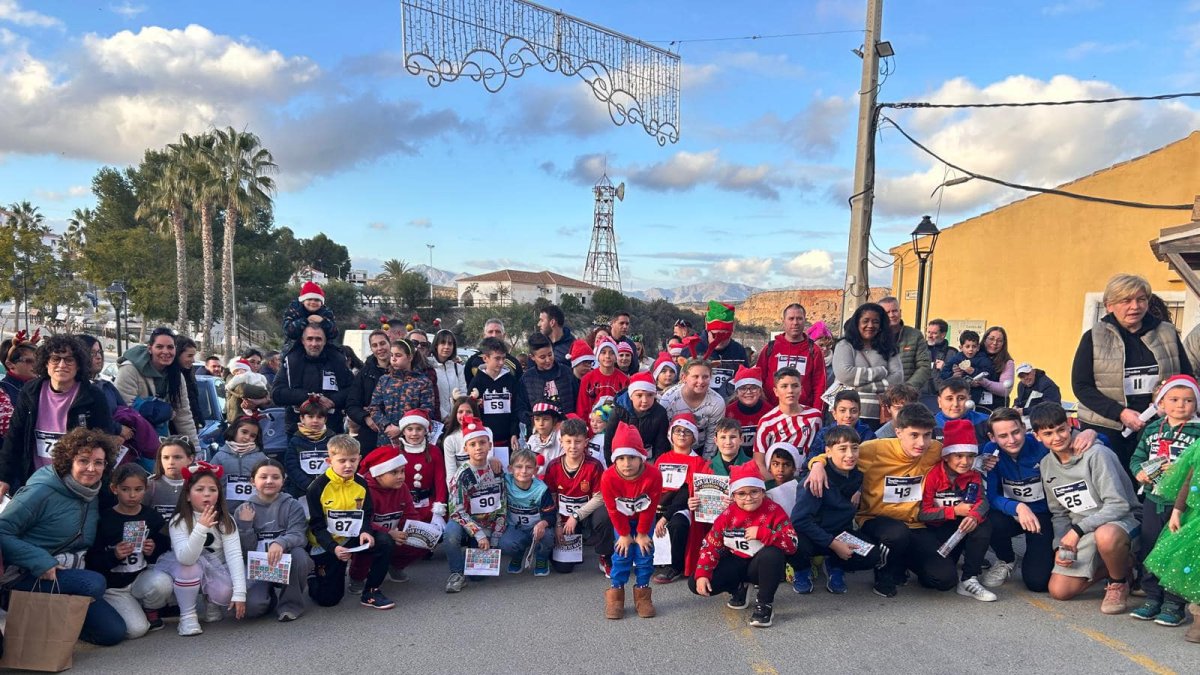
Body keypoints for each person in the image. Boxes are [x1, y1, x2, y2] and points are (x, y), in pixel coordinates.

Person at [804, 403, 953, 598]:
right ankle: (884, 573)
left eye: (927, 435)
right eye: (914, 435)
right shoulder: (875, 449)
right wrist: (816, 464)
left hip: (916, 524)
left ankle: (903, 561)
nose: (921, 443)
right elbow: (837, 455)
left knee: (944, 579)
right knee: (896, 534)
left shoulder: (935, 450)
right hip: (877, 520)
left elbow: (959, 459)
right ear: (898, 432)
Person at [0, 427, 128, 646]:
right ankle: (20, 610)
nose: (91, 468)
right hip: (27, 574)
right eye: (83, 461)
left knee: (113, 632)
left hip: (69, 576)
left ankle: (52, 625)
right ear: (68, 461)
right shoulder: (41, 490)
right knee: (94, 584)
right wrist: (40, 561)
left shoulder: (94, 492)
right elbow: (2, 530)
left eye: (99, 462)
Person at [1073, 274, 1191, 475]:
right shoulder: (1093, 337)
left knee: (1153, 483)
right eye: (1126, 301)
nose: (1135, 306)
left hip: (1158, 425)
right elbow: (1081, 386)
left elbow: (1185, 377)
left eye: (1141, 299)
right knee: (1116, 486)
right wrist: (1120, 413)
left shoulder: (1167, 333)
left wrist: (1167, 405)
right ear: (1110, 305)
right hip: (1108, 427)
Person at [1034, 403, 1140, 614]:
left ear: (1070, 425)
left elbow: (1118, 505)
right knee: (1059, 591)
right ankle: (1125, 564)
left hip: (1119, 522)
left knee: (1106, 535)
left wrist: (1077, 531)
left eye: (1061, 430)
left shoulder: (1097, 454)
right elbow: (1059, 513)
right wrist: (1059, 546)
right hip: (1083, 529)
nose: (1057, 438)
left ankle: (1117, 582)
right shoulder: (1046, 464)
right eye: (1048, 433)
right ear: (1038, 437)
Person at [1, 334, 114, 496]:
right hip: (36, 482)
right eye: (55, 359)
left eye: (69, 360)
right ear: (46, 362)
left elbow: (105, 443)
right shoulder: (31, 391)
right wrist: (4, 477)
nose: (62, 365)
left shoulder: (93, 396)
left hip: (77, 486)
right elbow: (14, 437)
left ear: (78, 365)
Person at [1128, 375, 1200, 625]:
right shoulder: (1152, 429)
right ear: (1161, 402)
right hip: (1153, 498)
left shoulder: (1198, 431)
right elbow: (1137, 457)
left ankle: (1174, 602)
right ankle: (1152, 596)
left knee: (1176, 551)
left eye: (1188, 400)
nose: (1181, 405)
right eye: (1174, 399)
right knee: (1150, 547)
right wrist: (1139, 472)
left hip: (1184, 505)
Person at [690, 462, 798, 628]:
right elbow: (710, 544)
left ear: (762, 492)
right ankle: (738, 588)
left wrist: (763, 533)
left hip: (761, 566)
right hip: (736, 562)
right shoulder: (727, 515)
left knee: (772, 554)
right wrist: (702, 573)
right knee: (695, 582)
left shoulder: (774, 511)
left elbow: (792, 543)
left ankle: (764, 604)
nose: (748, 498)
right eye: (741, 494)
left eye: (754, 491)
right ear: (733, 496)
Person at [790, 425, 890, 596]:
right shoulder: (816, 478)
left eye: (855, 448)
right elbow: (800, 520)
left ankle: (835, 565)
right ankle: (802, 569)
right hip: (812, 535)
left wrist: (858, 491)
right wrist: (834, 544)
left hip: (840, 532)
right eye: (842, 449)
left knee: (872, 555)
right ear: (828, 451)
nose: (850, 455)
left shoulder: (858, 474)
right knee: (794, 544)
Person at [155, 460, 247, 636]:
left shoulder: (226, 519)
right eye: (199, 489)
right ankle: (187, 616)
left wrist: (239, 594)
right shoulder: (179, 521)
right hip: (187, 566)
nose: (207, 494)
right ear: (188, 495)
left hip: (217, 568)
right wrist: (201, 528)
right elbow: (186, 558)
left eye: (213, 490)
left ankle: (210, 601)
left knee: (227, 592)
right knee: (190, 567)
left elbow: (234, 555)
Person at [305, 434, 393, 610]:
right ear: (329, 461)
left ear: (359, 458)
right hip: (328, 543)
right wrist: (333, 547)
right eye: (342, 460)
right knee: (328, 600)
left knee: (384, 541)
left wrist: (366, 531)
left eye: (353, 460)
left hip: (352, 538)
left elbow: (366, 513)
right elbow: (317, 526)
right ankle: (314, 575)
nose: (348, 465)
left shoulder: (361, 483)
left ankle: (371, 591)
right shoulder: (317, 487)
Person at [88, 464, 173, 637]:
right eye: (125, 489)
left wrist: (153, 548)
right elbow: (91, 559)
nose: (132, 495)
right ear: (114, 488)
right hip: (115, 587)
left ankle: (149, 609)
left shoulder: (151, 516)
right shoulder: (104, 519)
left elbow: (165, 544)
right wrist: (114, 555)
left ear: (146, 489)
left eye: (138, 489)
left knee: (163, 583)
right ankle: (122, 609)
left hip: (141, 577)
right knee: (136, 630)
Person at [916, 419, 996, 602]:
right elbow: (922, 513)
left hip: (959, 530)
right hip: (936, 531)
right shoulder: (933, 476)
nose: (965, 462)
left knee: (983, 525)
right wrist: (954, 511)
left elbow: (982, 501)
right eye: (958, 456)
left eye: (970, 456)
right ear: (946, 457)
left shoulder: (973, 475)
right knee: (936, 581)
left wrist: (974, 516)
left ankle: (969, 578)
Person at [982, 408, 1057, 593]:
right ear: (993, 437)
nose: (1012, 440)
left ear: (1024, 428)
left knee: (1037, 583)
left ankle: (1046, 554)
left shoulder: (1041, 445)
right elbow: (991, 496)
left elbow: (1094, 439)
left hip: (1041, 515)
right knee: (985, 520)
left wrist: (1090, 433)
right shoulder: (990, 451)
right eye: (1003, 435)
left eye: (1015, 432)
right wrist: (1017, 507)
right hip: (1011, 513)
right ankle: (1007, 558)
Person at [233, 458, 313, 622]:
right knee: (253, 609)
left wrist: (280, 542)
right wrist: (246, 527)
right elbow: (245, 551)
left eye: (275, 477)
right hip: (259, 566)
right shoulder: (243, 510)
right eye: (263, 477)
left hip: (287, 560)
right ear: (252, 481)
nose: (269, 481)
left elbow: (299, 535)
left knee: (300, 556)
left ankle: (290, 605)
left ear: (283, 481)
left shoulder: (292, 505)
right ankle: (268, 596)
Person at [601, 422, 663, 619]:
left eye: (631, 458)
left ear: (641, 458)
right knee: (622, 554)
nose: (626, 463)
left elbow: (651, 506)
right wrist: (625, 534)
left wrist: (643, 533)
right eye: (620, 458)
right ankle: (616, 596)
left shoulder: (653, 474)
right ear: (614, 460)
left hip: (644, 519)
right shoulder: (608, 477)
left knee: (645, 554)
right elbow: (612, 508)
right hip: (622, 521)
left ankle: (643, 595)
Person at [1143, 440, 1200, 643]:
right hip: (1197, 519)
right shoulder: (1198, 447)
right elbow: (1188, 481)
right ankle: (1198, 615)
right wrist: (1177, 511)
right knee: (1194, 567)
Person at [444, 415, 508, 593]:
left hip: (488, 523)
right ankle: (456, 573)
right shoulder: (462, 475)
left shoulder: (496, 470)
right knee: (450, 534)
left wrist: (495, 534)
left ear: (489, 445)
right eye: (473, 444)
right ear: (466, 448)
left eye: (482, 442)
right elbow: (456, 511)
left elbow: (502, 505)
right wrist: (478, 533)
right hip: (466, 522)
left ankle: (472, 556)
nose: (478, 447)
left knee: (478, 577)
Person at [353, 446, 429, 590]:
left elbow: (410, 514)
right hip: (369, 533)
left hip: (392, 533)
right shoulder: (364, 490)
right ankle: (357, 577)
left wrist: (419, 530)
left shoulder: (402, 488)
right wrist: (389, 533)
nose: (400, 476)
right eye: (394, 472)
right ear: (379, 474)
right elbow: (361, 521)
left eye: (402, 471)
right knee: (369, 543)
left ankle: (394, 566)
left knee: (423, 540)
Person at [651, 413, 713, 584]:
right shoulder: (662, 459)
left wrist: (666, 517)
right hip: (659, 503)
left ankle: (674, 566)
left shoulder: (699, 462)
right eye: (677, 431)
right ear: (670, 434)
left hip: (682, 506)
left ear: (694, 437)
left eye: (687, 432)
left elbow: (686, 492)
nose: (681, 435)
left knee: (678, 524)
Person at [545, 417, 609, 574]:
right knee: (563, 568)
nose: (573, 446)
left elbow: (599, 497)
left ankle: (606, 555)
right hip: (563, 519)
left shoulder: (593, 465)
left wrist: (576, 515)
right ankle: (571, 544)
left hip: (585, 516)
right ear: (561, 441)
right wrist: (558, 524)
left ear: (586, 442)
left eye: (578, 441)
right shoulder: (553, 466)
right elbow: (551, 498)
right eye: (569, 441)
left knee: (605, 515)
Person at [115, 327, 197, 443]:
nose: (165, 351)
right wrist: (163, 412)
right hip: (133, 441)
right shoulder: (129, 370)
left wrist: (194, 448)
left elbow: (183, 415)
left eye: (170, 347)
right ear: (150, 349)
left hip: (160, 441)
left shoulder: (177, 375)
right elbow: (123, 409)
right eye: (159, 347)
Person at [271, 325, 353, 436]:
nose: (314, 344)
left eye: (318, 339)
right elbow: (277, 394)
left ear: (325, 341)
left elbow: (353, 390)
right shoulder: (291, 362)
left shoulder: (337, 361)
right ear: (303, 341)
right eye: (309, 339)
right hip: (298, 431)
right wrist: (312, 398)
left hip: (332, 429)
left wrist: (333, 401)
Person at [833, 303, 903, 428]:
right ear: (857, 323)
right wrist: (880, 371)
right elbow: (845, 374)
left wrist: (863, 387)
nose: (870, 325)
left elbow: (897, 378)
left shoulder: (889, 348)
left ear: (881, 325)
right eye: (865, 321)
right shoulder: (845, 345)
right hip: (848, 415)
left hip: (879, 415)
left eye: (875, 322)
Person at [752, 367, 823, 481]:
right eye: (784, 386)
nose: (790, 390)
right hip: (777, 482)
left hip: (807, 480)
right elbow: (759, 463)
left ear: (801, 389)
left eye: (795, 386)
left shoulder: (815, 417)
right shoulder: (767, 422)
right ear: (775, 391)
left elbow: (820, 450)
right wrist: (776, 487)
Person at [755, 303, 826, 411]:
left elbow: (819, 385)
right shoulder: (770, 348)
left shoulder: (814, 350)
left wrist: (817, 413)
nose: (795, 323)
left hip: (803, 413)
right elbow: (758, 379)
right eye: (791, 318)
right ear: (784, 321)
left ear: (804, 321)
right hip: (772, 411)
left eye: (799, 318)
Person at [370, 339, 435, 445]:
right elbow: (374, 407)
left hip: (412, 439)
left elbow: (426, 411)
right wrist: (386, 426)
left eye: (398, 355)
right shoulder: (384, 380)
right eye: (391, 355)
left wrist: (402, 428)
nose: (394, 359)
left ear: (409, 357)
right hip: (386, 438)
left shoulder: (422, 382)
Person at [501, 449, 556, 576]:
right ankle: (517, 555)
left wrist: (543, 523)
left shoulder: (541, 489)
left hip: (536, 528)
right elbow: (488, 471)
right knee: (505, 543)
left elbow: (551, 515)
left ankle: (542, 558)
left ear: (536, 470)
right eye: (519, 467)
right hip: (515, 527)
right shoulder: (505, 481)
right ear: (510, 469)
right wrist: (492, 459)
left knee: (547, 536)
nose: (524, 471)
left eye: (529, 467)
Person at [467, 336, 521, 462]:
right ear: (485, 358)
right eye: (497, 359)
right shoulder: (477, 382)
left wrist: (514, 433)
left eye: (503, 358)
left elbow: (515, 409)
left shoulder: (510, 380)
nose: (501, 362)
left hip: (507, 441)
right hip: (483, 442)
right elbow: (472, 412)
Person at [660, 359, 726, 461]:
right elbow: (664, 433)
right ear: (684, 377)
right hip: (674, 448)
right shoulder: (669, 399)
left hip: (701, 447)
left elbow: (712, 436)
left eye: (705, 377)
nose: (701, 381)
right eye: (695, 376)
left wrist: (706, 462)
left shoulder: (717, 402)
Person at [604, 371, 671, 462]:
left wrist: (656, 468)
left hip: (648, 459)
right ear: (631, 396)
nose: (644, 400)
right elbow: (608, 442)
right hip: (623, 460)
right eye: (639, 395)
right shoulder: (618, 412)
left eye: (650, 395)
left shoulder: (660, 413)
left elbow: (661, 445)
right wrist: (612, 467)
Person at [518, 331, 577, 428]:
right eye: (542, 357)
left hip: (567, 430)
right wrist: (535, 422)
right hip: (540, 433)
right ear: (532, 357)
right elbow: (521, 408)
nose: (548, 360)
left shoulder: (566, 372)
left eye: (550, 354)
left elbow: (577, 399)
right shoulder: (527, 379)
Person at [345, 330, 391, 452]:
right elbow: (352, 404)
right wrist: (366, 418)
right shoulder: (364, 374)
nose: (379, 348)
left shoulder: (402, 369)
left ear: (389, 343)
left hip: (398, 431)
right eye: (375, 345)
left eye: (382, 343)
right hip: (371, 433)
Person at [209, 416, 268, 511]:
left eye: (253, 436)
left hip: (255, 509)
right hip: (225, 509)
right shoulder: (219, 457)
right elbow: (210, 481)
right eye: (244, 432)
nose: (247, 437)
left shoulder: (261, 457)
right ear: (234, 430)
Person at [879, 296, 932, 392]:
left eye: (895, 311)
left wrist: (907, 389)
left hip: (907, 396)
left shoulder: (915, 335)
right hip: (879, 394)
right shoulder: (874, 337)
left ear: (900, 312)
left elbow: (924, 366)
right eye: (887, 312)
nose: (892, 315)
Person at [284, 398, 333, 498]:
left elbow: (336, 464)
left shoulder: (332, 439)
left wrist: (324, 483)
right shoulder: (295, 440)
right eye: (310, 417)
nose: (315, 420)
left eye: (319, 417)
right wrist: (309, 485)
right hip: (300, 490)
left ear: (325, 419)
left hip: (328, 488)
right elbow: (291, 465)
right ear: (302, 418)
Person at [701, 301, 748, 397]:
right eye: (715, 335)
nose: (719, 340)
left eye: (725, 335)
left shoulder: (739, 351)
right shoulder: (692, 349)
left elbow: (745, 381)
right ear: (707, 326)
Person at [809, 390, 875, 456]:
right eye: (842, 410)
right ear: (834, 414)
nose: (848, 415)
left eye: (854, 411)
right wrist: (817, 462)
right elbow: (811, 458)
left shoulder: (867, 434)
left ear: (859, 414)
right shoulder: (824, 433)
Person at [281, 280, 338, 356]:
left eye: (317, 300)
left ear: (321, 303)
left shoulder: (327, 312)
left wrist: (323, 322)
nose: (313, 302)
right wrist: (306, 321)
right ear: (303, 301)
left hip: (322, 350)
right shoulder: (293, 310)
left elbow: (334, 333)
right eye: (309, 299)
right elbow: (288, 331)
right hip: (294, 349)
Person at [941, 331, 994, 410]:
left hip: (977, 394)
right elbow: (943, 373)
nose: (971, 350)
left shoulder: (983, 359)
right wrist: (953, 376)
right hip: (958, 393)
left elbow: (989, 373)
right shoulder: (956, 358)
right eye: (967, 346)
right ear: (961, 347)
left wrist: (973, 371)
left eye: (974, 346)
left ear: (978, 347)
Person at [578, 338, 630, 417]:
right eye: (603, 352)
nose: (607, 356)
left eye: (611, 353)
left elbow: (626, 408)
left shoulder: (624, 380)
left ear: (616, 357)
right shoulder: (587, 379)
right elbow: (582, 408)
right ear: (598, 356)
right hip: (592, 425)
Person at [147, 436, 195, 521]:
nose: (171, 462)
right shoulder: (150, 484)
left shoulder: (197, 484)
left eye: (177, 457)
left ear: (190, 459)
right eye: (166, 457)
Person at [725, 365, 767, 457]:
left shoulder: (770, 412)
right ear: (737, 392)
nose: (748, 392)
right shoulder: (727, 412)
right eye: (743, 388)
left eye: (753, 388)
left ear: (760, 391)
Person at [440, 396, 482, 486]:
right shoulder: (450, 440)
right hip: (462, 488)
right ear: (455, 414)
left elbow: (488, 461)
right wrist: (454, 495)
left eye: (469, 412)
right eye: (460, 412)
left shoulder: (486, 433)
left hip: (484, 485)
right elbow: (451, 473)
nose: (464, 415)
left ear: (475, 413)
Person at [428, 328, 468, 421]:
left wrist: (456, 417)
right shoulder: (429, 367)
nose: (447, 347)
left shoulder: (458, 368)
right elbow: (431, 397)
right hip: (437, 419)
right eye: (443, 343)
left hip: (456, 420)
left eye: (450, 344)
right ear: (436, 345)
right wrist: (445, 417)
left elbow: (463, 394)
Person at [978, 327, 1016, 413]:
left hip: (995, 409)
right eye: (991, 339)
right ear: (984, 339)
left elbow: (1005, 390)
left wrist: (983, 382)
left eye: (999, 341)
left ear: (1003, 344)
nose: (995, 343)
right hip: (972, 406)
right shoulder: (973, 356)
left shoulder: (1007, 362)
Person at [0, 331, 38, 405]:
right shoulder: (3, 391)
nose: (36, 364)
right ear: (10, 364)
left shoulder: (42, 385)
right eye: (29, 361)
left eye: (38, 360)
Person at [175, 336, 204, 432]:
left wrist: (199, 420)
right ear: (177, 354)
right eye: (189, 356)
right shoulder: (170, 377)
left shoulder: (189, 373)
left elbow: (194, 401)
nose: (193, 360)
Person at [924, 318, 958, 397]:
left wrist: (945, 368)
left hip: (942, 395)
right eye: (928, 332)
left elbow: (957, 378)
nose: (930, 336)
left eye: (934, 333)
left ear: (943, 334)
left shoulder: (953, 353)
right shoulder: (918, 350)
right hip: (919, 394)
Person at [526, 402, 563, 472]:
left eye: (546, 419)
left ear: (554, 421)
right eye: (537, 419)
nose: (541, 423)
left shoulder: (560, 439)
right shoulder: (532, 439)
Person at [610, 311, 639, 375]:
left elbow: (635, 368)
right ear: (612, 324)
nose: (625, 326)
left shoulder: (631, 344)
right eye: (621, 323)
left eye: (627, 324)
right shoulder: (606, 343)